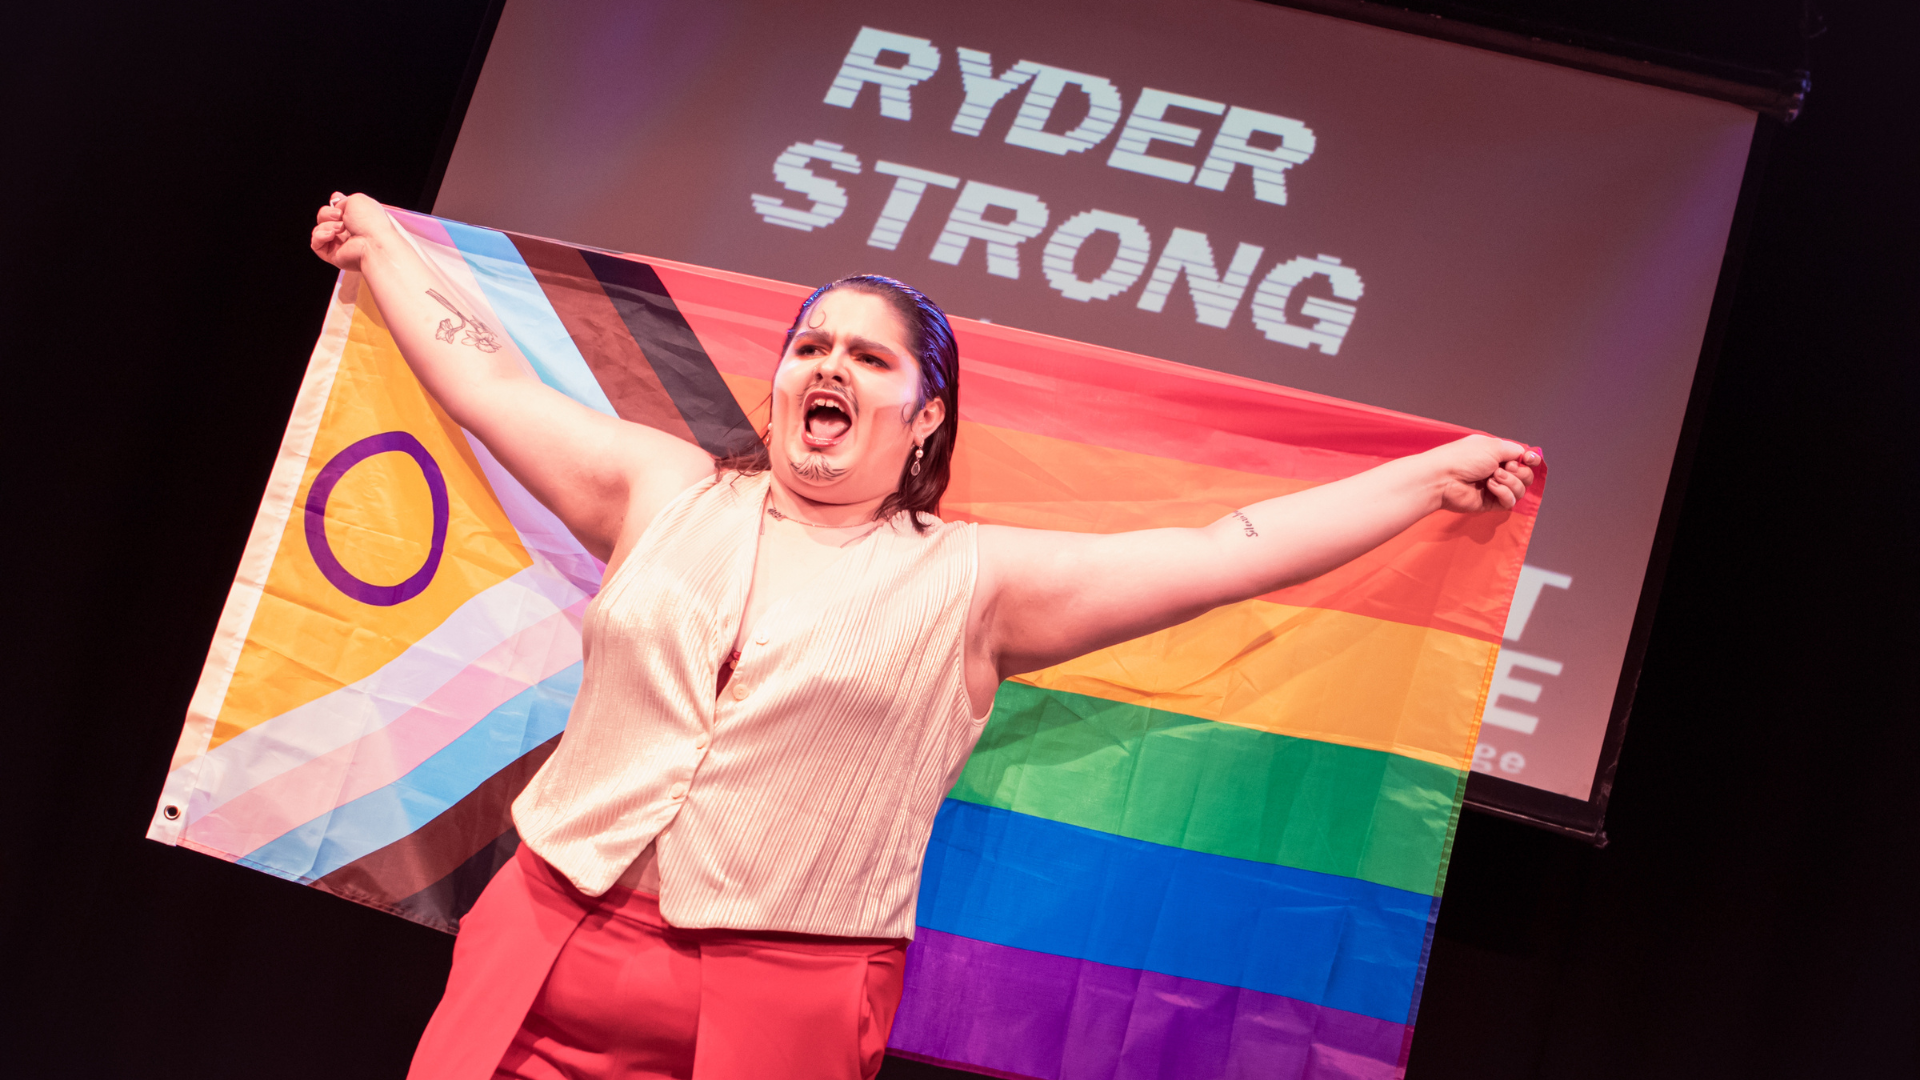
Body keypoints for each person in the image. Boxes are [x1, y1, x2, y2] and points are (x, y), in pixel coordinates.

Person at [312, 192, 1538, 1080]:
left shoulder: (973, 582)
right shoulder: (662, 489)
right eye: (810, 347)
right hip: (540, 943)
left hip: (777, 1004)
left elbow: (1225, 552)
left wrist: (1427, 480)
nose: (828, 366)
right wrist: (383, 247)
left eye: (867, 355)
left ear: (926, 415)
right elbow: (493, 386)